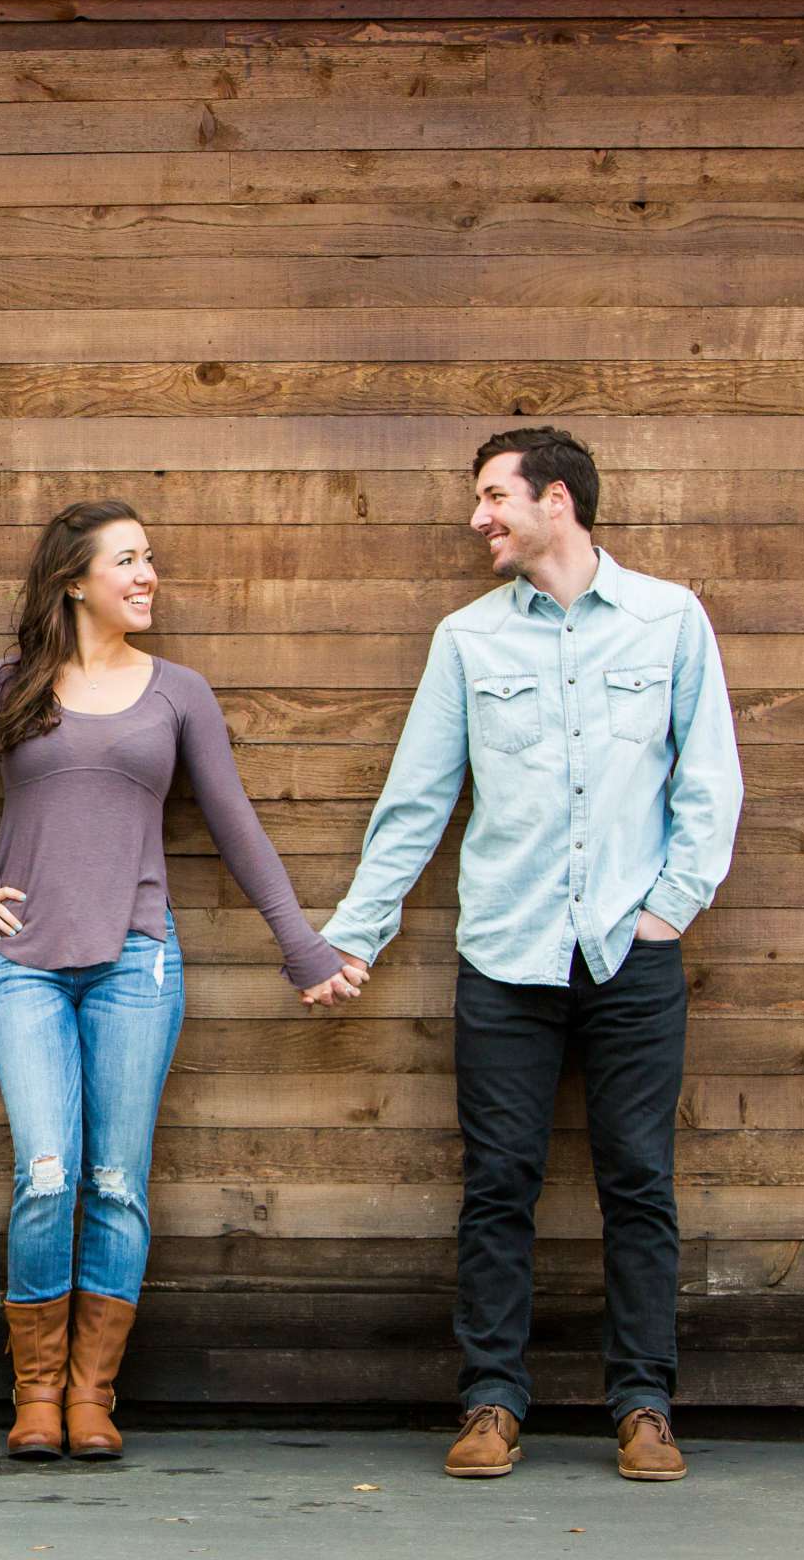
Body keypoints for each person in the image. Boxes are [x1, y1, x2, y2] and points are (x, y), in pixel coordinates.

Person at [0, 499, 365, 1461]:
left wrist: (299, 945)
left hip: (138, 963)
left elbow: (235, 825)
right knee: (46, 1175)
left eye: (152, 561)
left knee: (115, 1183)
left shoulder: (178, 693)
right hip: (24, 967)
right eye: (130, 561)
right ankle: (36, 1395)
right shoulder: (6, 687)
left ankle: (93, 1398)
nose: (148, 577)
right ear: (74, 580)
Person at [318, 427, 742, 1483]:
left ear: (559, 500)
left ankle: (644, 1406)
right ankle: (492, 1403)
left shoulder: (669, 620)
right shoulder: (467, 639)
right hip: (506, 958)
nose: (479, 518)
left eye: (495, 496)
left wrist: (670, 906)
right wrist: (357, 933)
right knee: (498, 1184)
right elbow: (415, 802)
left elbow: (711, 781)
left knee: (639, 1181)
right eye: (479, 500)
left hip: (629, 957)